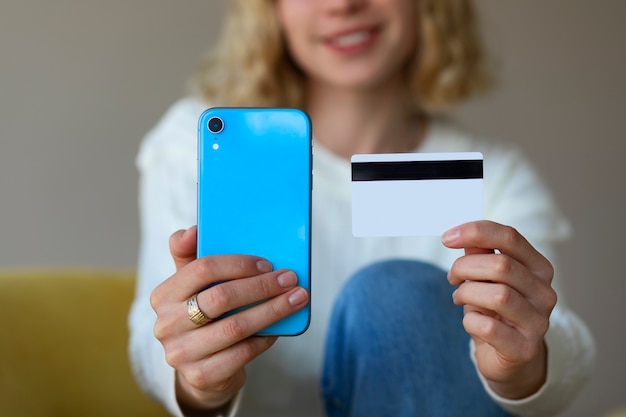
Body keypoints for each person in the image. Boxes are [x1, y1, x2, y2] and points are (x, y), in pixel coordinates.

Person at [128, 1, 595, 416]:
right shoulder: (200, 148)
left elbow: (564, 355)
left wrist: (519, 364)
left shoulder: (495, 173)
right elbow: (157, 348)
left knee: (394, 293)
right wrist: (200, 380)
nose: (343, 5)